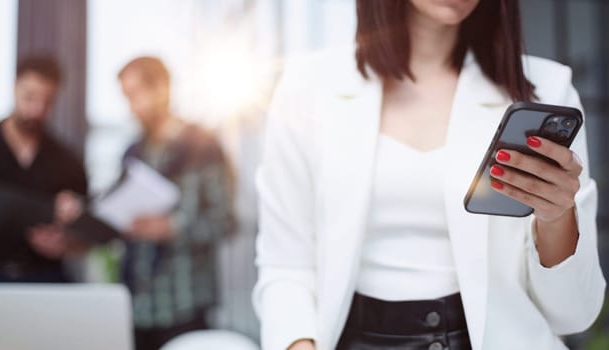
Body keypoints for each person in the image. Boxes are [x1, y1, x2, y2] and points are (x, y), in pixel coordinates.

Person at [252, 1, 606, 350]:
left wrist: (556, 215)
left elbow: (573, 314)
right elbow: (286, 265)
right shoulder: (307, 88)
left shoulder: (546, 88)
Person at [117, 56, 235, 350]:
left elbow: (226, 221)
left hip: (186, 305)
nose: (131, 106)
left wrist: (172, 227)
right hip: (138, 307)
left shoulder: (203, 145)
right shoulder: (132, 152)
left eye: (135, 95)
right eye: (126, 97)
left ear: (161, 89)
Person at [0, 55, 88, 283]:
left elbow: (85, 236)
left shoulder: (67, 161)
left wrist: (66, 243)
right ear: (15, 88)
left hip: (45, 277)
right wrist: (50, 209)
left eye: (47, 101)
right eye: (29, 97)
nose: (37, 110)